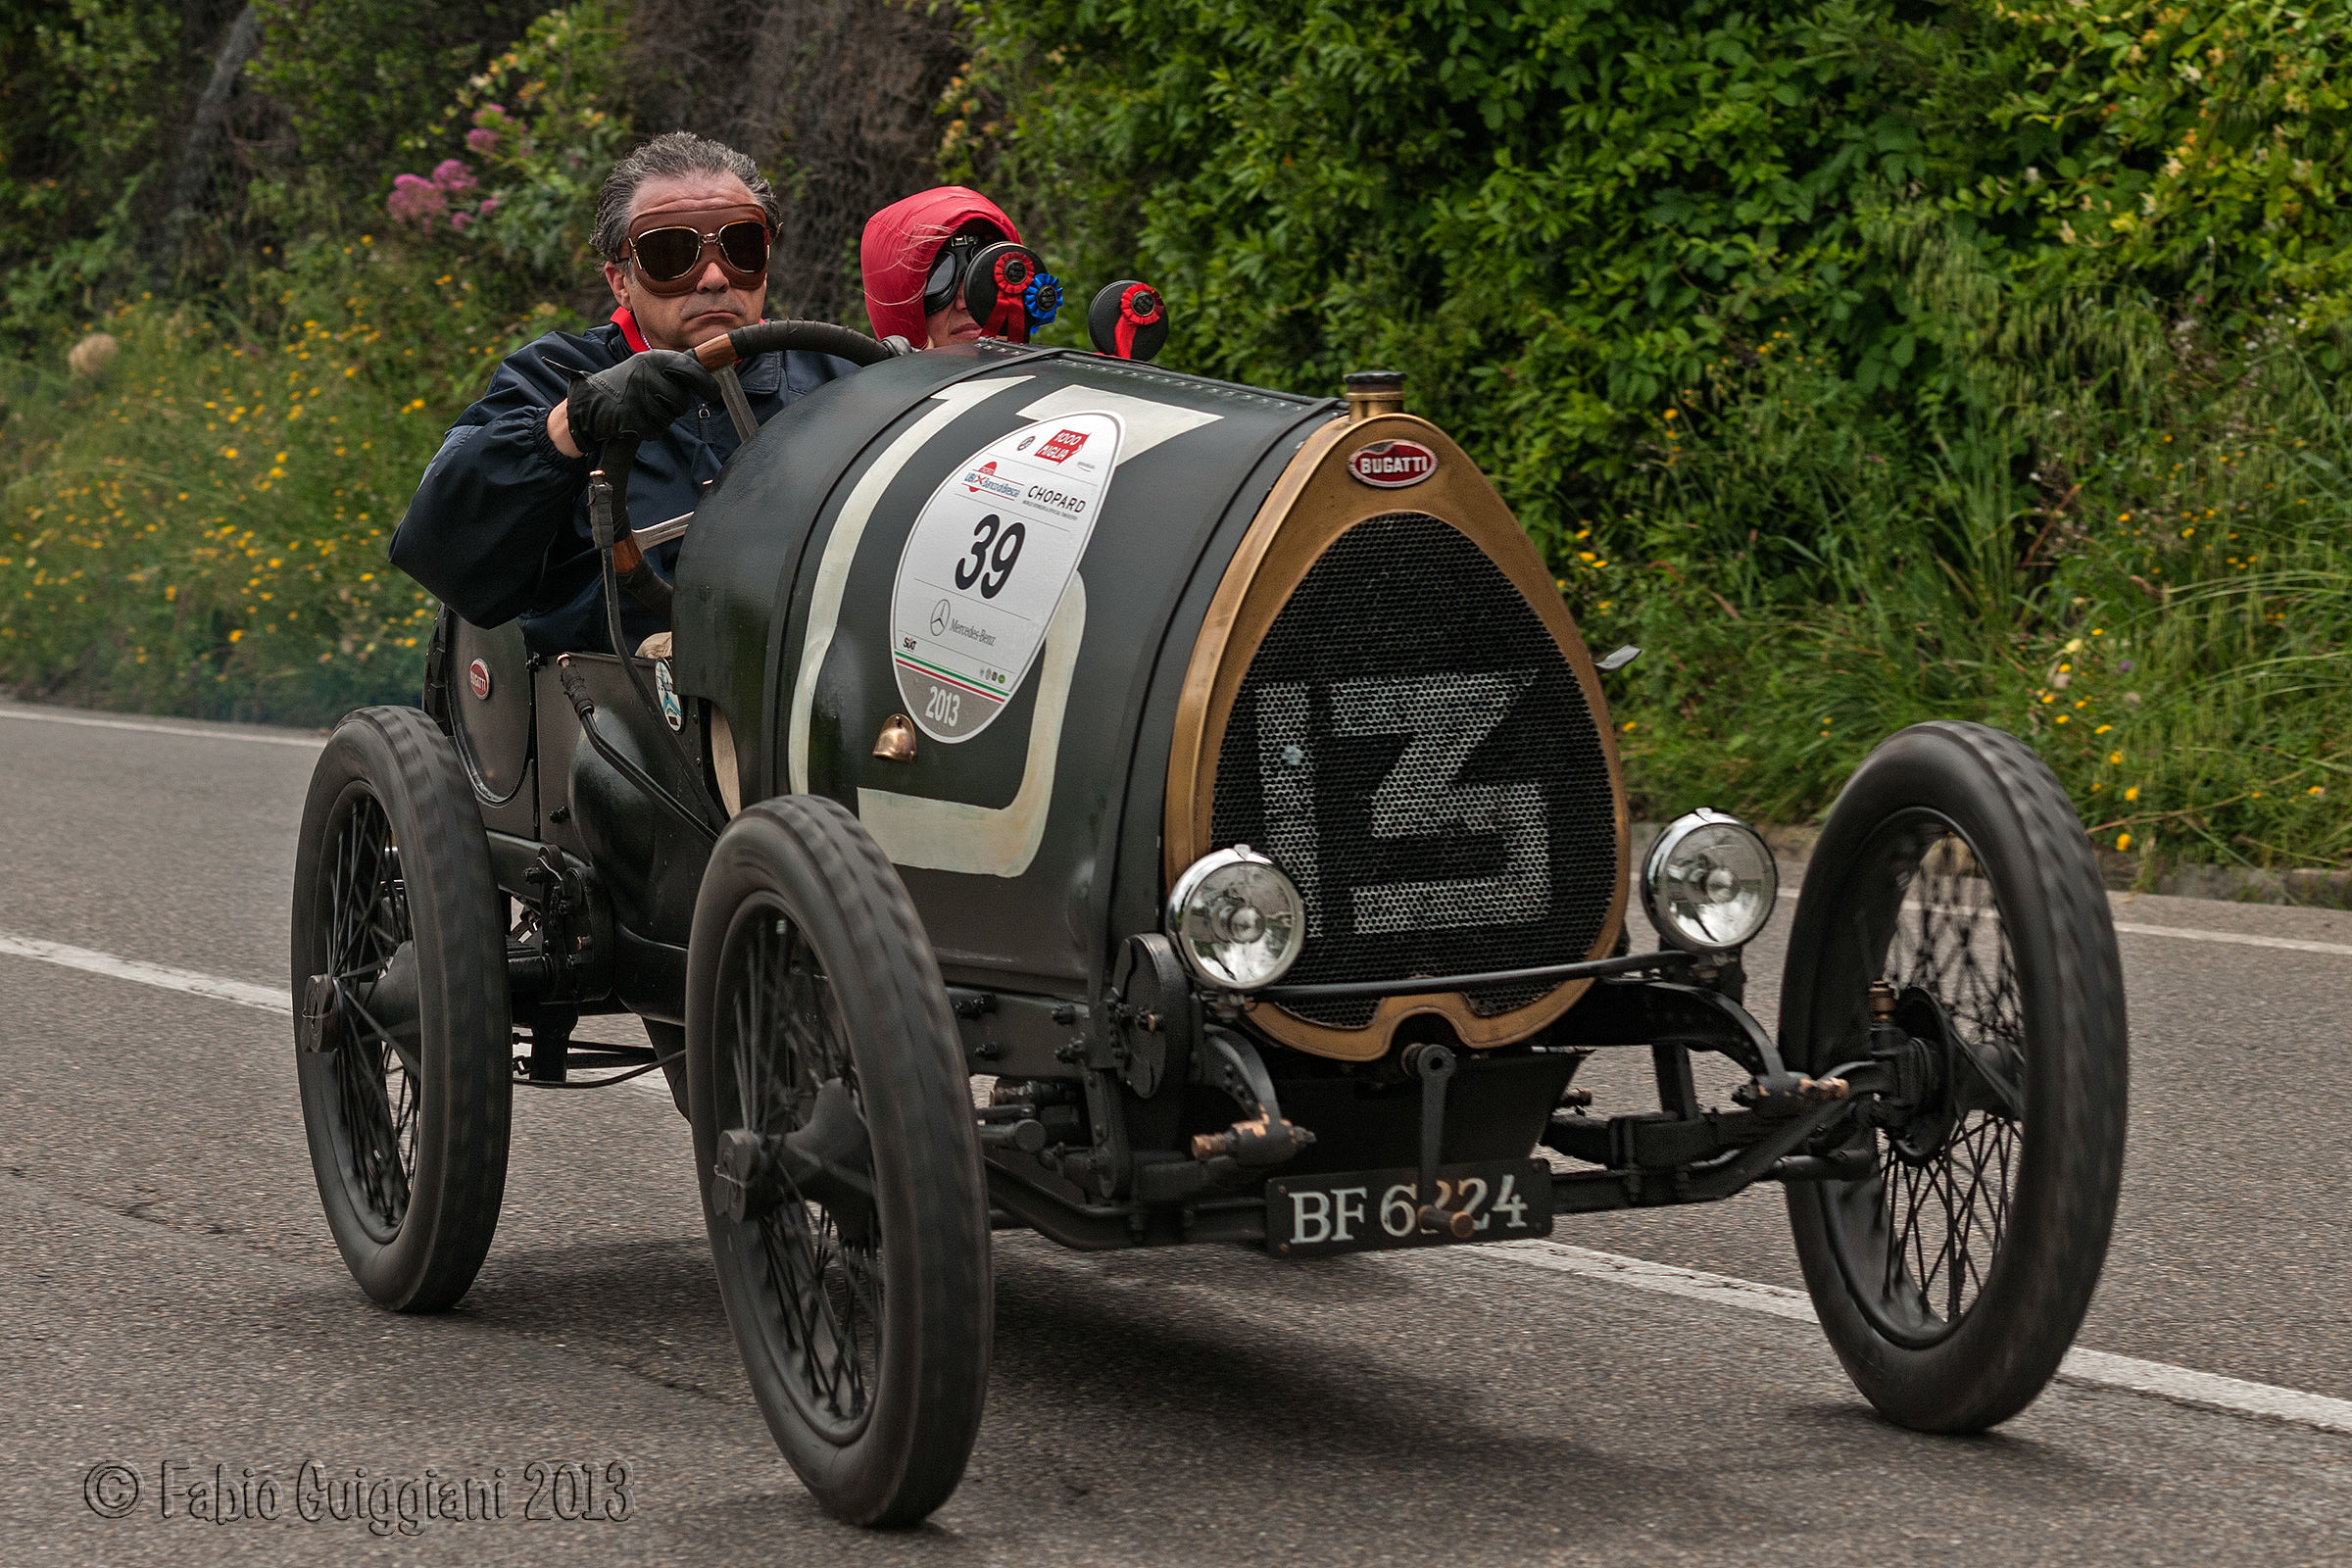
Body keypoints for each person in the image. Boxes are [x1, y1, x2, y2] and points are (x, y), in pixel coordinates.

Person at [390, 131, 860, 654]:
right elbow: (440, 549)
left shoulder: (840, 379)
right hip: (614, 705)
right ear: (620, 281)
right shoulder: (548, 377)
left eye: (740, 247)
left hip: (810, 671)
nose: (711, 277)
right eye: (671, 253)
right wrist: (570, 425)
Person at [859, 186, 1031, 350]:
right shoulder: (852, 378)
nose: (966, 303)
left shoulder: (1052, 377)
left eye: (988, 273)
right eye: (939, 277)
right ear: (896, 303)